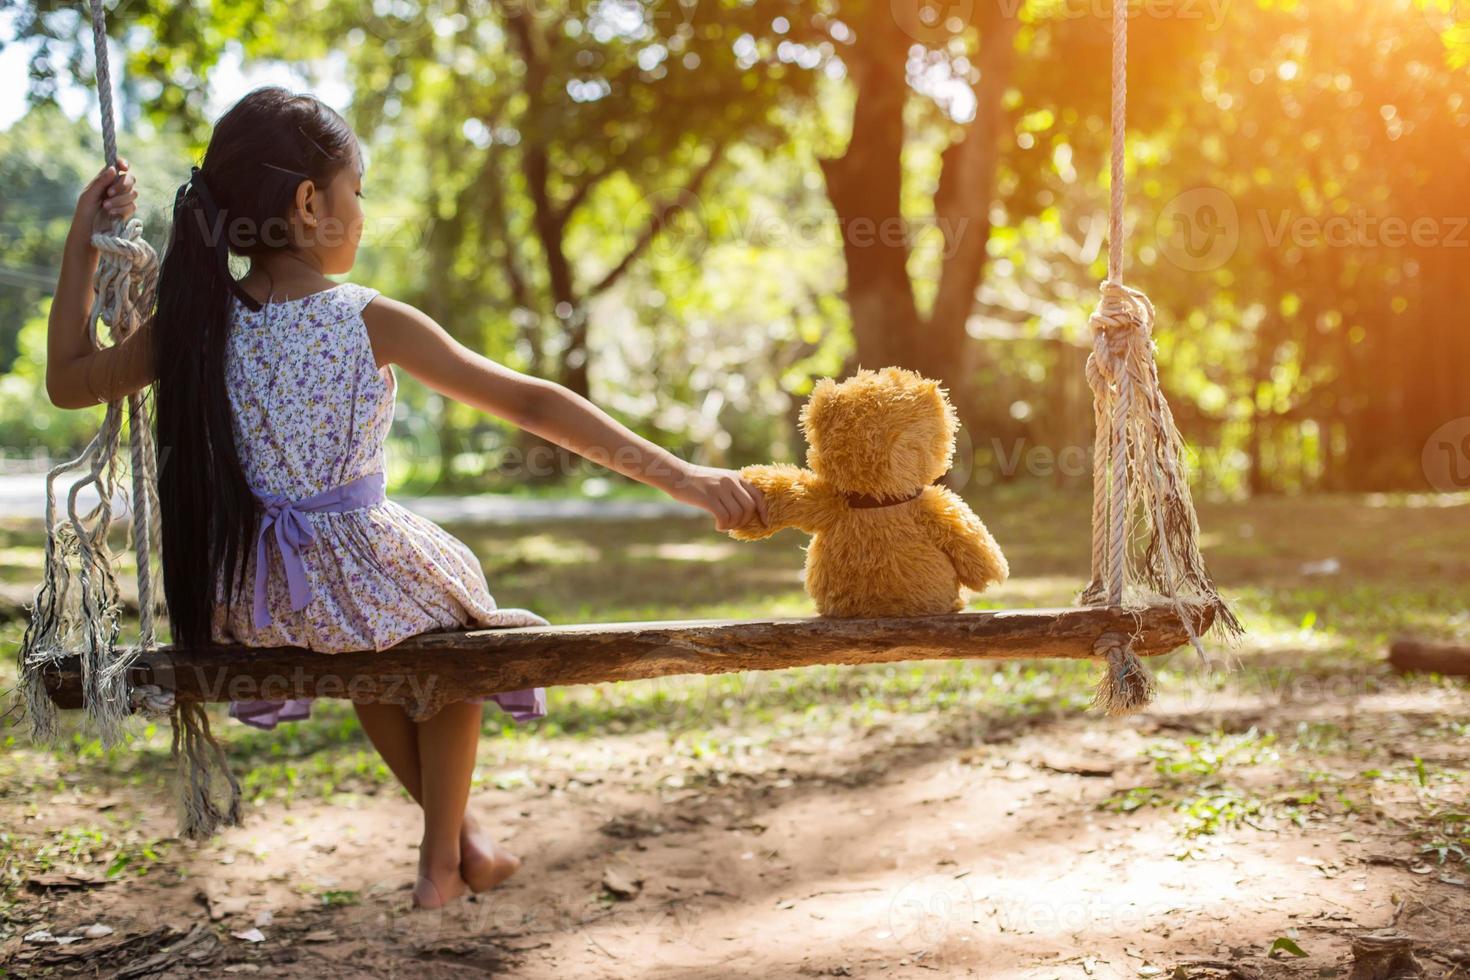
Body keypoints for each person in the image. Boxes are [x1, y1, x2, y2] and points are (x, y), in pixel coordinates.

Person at [46, 87, 767, 910]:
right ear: (309, 201)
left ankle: (469, 843)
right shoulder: (364, 318)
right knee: (461, 619)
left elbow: (69, 382)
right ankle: (438, 864)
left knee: (374, 652)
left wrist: (84, 245)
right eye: (358, 190)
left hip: (252, 591)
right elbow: (532, 404)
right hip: (342, 579)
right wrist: (688, 478)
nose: (362, 211)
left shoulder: (194, 321)